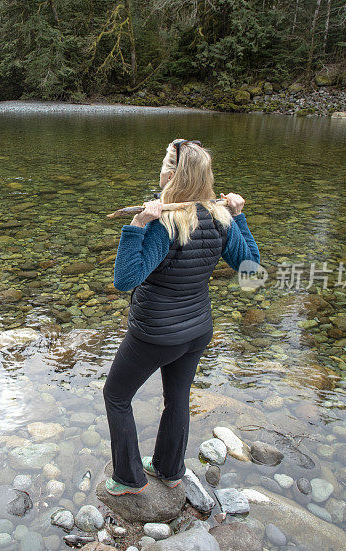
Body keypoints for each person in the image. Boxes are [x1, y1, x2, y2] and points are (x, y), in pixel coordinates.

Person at [103, 138, 260, 495]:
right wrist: (239, 216)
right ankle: (170, 470)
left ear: (172, 174)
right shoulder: (221, 219)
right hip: (197, 331)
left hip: (156, 333)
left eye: (162, 164)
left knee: (116, 396)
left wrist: (139, 226)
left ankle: (129, 479)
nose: (159, 170)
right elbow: (251, 268)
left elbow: (125, 280)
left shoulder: (167, 223)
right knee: (177, 398)